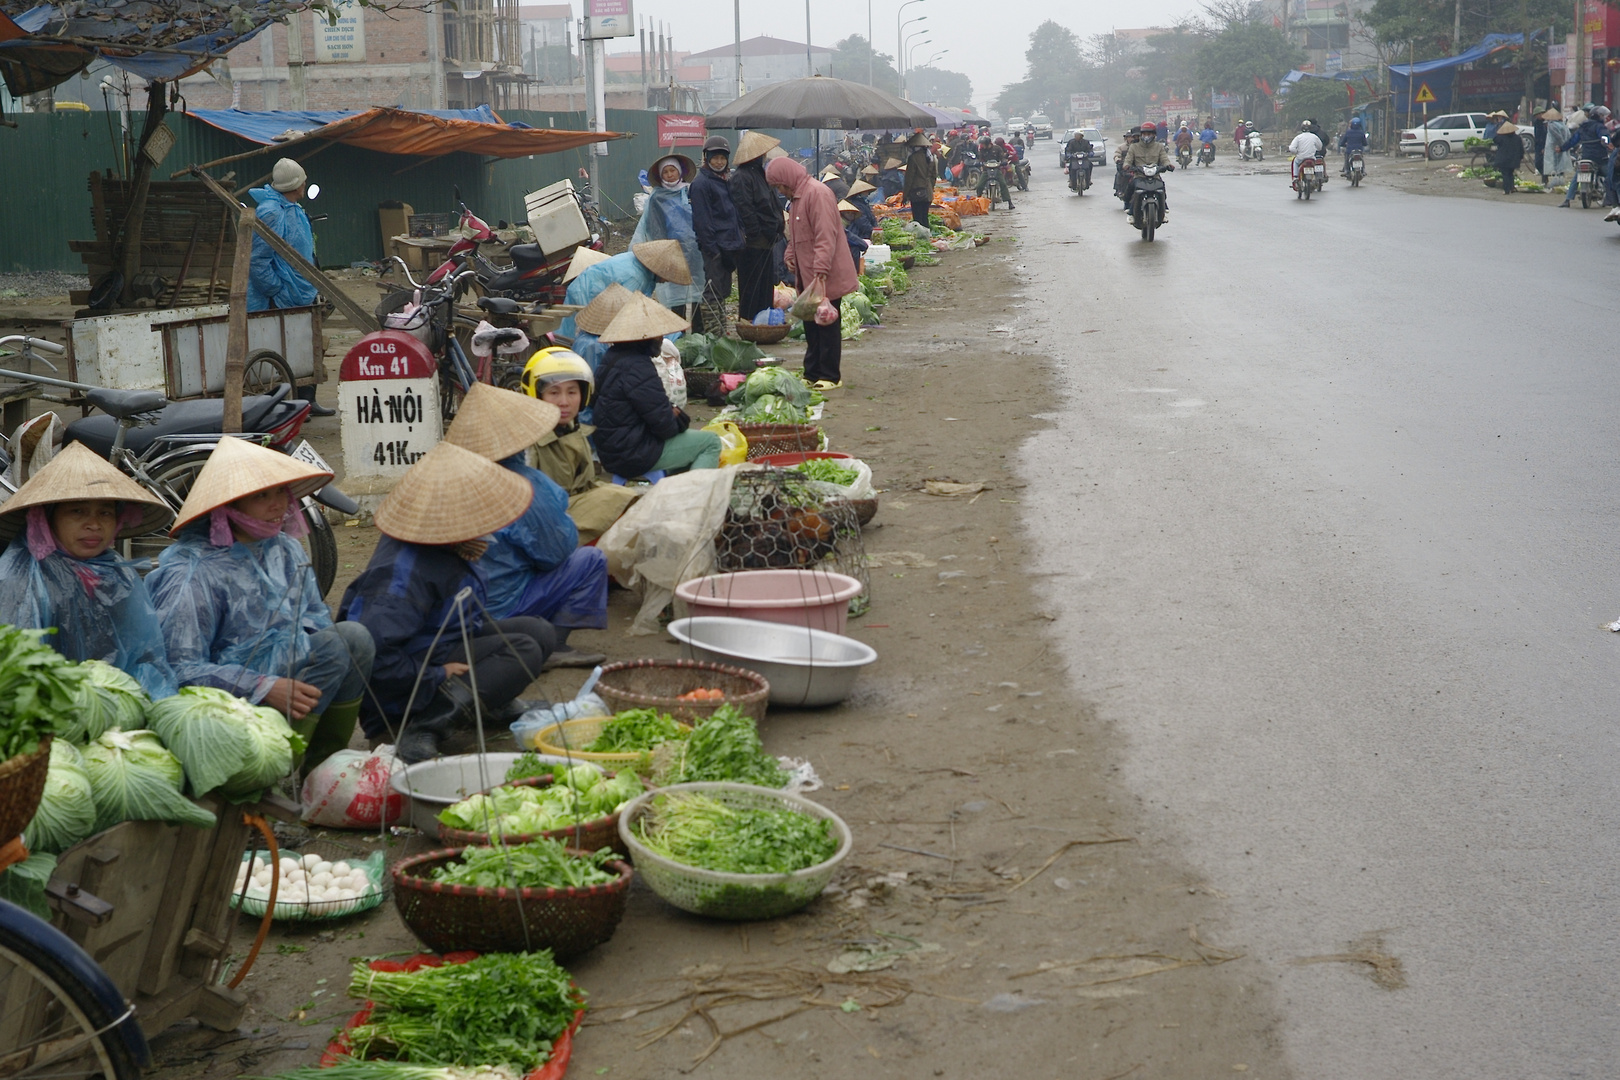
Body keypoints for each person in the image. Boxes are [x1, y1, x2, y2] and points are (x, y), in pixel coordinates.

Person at [147, 437, 374, 775]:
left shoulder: (285, 548)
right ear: (229, 506)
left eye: (280, 492)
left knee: (352, 640)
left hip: (281, 679)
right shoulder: (192, 573)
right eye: (260, 496)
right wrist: (261, 686)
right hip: (222, 706)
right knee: (335, 647)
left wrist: (300, 659)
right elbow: (178, 669)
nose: (277, 505)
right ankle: (271, 767)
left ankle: (321, 767)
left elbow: (313, 616)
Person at [340, 443, 549, 764]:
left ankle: (488, 704)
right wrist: (436, 675)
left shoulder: (451, 548)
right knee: (522, 650)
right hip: (397, 698)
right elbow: (376, 661)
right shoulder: (401, 575)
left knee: (539, 632)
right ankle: (423, 727)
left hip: (433, 647)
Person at [442, 384, 608, 668]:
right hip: (501, 609)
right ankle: (553, 645)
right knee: (591, 559)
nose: (564, 401)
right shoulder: (527, 485)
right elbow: (558, 552)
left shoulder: (446, 479)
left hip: (451, 611)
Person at [0, 442, 177, 698]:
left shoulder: (117, 572)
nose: (94, 524)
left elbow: (146, 658)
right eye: (78, 511)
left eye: (105, 512)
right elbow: (16, 675)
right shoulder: (22, 576)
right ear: (47, 519)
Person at [592, 294, 723, 477]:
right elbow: (665, 426)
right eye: (659, 334)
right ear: (646, 337)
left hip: (610, 450)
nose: (662, 339)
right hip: (632, 454)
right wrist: (675, 414)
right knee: (711, 442)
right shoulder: (639, 366)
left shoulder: (612, 357)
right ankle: (696, 498)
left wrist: (670, 411)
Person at [522, 347, 640, 544]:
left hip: (574, 513)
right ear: (536, 394)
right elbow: (528, 508)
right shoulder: (526, 442)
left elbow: (587, 486)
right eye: (554, 392)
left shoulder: (572, 429)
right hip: (549, 528)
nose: (564, 402)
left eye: (572, 392)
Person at [248, 159, 334, 416]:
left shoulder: (293, 207)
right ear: (296, 185)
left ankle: (308, 402)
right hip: (282, 295)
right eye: (302, 180)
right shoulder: (271, 212)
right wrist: (276, 290)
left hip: (301, 290)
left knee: (307, 345)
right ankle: (290, 406)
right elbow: (258, 260)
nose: (305, 183)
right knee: (284, 349)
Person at [766, 155, 860, 391]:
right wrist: (790, 255)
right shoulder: (798, 197)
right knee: (811, 322)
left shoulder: (817, 193)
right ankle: (812, 371)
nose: (780, 190)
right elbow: (796, 234)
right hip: (809, 275)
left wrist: (821, 270)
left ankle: (830, 375)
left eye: (780, 185)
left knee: (826, 323)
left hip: (824, 273)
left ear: (787, 179)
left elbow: (825, 235)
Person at [556, 239, 690, 339]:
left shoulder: (639, 265)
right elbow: (624, 313)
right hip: (587, 293)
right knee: (581, 335)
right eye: (668, 276)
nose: (667, 280)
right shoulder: (636, 277)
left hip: (591, 287)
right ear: (660, 270)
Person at [630, 153, 706, 320]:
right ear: (660, 175)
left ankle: (699, 335)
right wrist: (664, 251)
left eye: (673, 170)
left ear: (680, 171)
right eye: (666, 172)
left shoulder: (690, 192)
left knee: (696, 292)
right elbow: (653, 226)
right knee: (675, 296)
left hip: (695, 251)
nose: (670, 175)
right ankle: (677, 335)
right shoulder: (656, 198)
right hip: (670, 253)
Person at [689, 135, 745, 335]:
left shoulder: (725, 179)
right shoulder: (701, 184)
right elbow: (702, 221)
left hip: (729, 246)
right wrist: (712, 250)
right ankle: (713, 335)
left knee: (722, 291)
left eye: (722, 158)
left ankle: (721, 331)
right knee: (712, 293)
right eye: (715, 158)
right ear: (707, 158)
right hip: (715, 248)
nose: (719, 162)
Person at [729, 131, 785, 323]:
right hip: (753, 244)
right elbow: (745, 209)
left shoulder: (760, 174)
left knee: (764, 286)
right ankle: (750, 323)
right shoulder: (741, 178)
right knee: (751, 286)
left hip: (766, 241)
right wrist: (756, 233)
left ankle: (764, 321)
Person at [1119, 122, 1173, 220]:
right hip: (1139, 176)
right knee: (1132, 187)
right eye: (1144, 134)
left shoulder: (1159, 147)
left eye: (1149, 134)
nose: (1146, 136)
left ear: (1154, 135)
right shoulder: (1134, 147)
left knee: (1161, 187)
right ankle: (1130, 211)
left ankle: (1162, 210)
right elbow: (1128, 159)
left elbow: (1164, 158)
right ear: (1141, 135)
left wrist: (1168, 165)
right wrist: (1126, 165)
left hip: (1155, 176)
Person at [1559, 106, 1611, 206]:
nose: (1603, 118)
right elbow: (1605, 138)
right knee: (1611, 176)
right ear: (1597, 116)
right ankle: (1611, 199)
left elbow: (1573, 140)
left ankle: (1568, 200)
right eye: (1602, 115)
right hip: (1599, 157)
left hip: (1586, 156)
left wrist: (1562, 148)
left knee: (1576, 177)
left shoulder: (1583, 127)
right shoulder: (1600, 127)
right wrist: (1608, 144)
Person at [903, 132, 937, 226]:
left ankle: (922, 237)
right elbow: (934, 176)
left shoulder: (913, 158)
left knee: (917, 219)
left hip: (917, 193)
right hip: (928, 192)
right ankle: (927, 235)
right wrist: (930, 188)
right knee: (924, 217)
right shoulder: (931, 157)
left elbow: (909, 178)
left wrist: (905, 195)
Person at [1492, 119, 1524, 194]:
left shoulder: (1501, 137)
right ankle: (1512, 188)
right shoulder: (1517, 138)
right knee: (1510, 173)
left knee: (1505, 174)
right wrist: (1520, 157)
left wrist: (1499, 132)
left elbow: (1494, 139)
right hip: (1513, 159)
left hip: (1504, 159)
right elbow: (1521, 149)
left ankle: (1506, 190)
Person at [1289, 121, 1325, 186]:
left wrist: (1296, 152)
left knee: (1295, 162)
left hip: (1301, 158)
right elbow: (1320, 147)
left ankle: (1295, 177)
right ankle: (1317, 177)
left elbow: (1292, 148)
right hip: (1311, 158)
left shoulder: (1298, 137)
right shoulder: (1314, 137)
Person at [838, 200, 868, 274]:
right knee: (854, 249)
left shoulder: (849, 224)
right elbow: (848, 236)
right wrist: (863, 244)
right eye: (848, 213)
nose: (851, 215)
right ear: (841, 214)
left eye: (852, 213)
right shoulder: (839, 224)